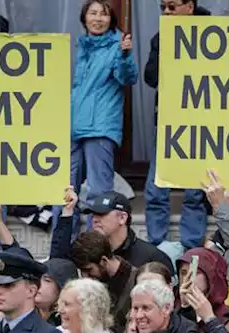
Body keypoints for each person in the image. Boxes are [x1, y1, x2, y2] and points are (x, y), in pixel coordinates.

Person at [142, 0, 211, 247]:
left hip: (201, 123)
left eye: (172, 7)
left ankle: (192, 244)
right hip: (169, 122)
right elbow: (150, 77)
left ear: (189, 7)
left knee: (195, 190)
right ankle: (156, 244)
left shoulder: (213, 35)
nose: (167, 13)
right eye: (163, 8)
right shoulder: (160, 39)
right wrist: (167, 48)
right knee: (156, 187)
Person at [67, 0, 136, 213]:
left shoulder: (118, 45)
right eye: (93, 13)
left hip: (101, 126)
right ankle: (63, 245)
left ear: (111, 20)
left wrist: (125, 55)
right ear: (84, 18)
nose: (98, 19)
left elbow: (127, 78)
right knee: (65, 192)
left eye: (103, 15)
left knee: (99, 194)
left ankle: (96, 245)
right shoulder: (81, 46)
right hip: (73, 125)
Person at [82, 191, 173, 271]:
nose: (94, 219)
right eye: (93, 215)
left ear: (122, 218)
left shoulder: (153, 257)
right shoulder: (87, 253)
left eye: (101, 214)